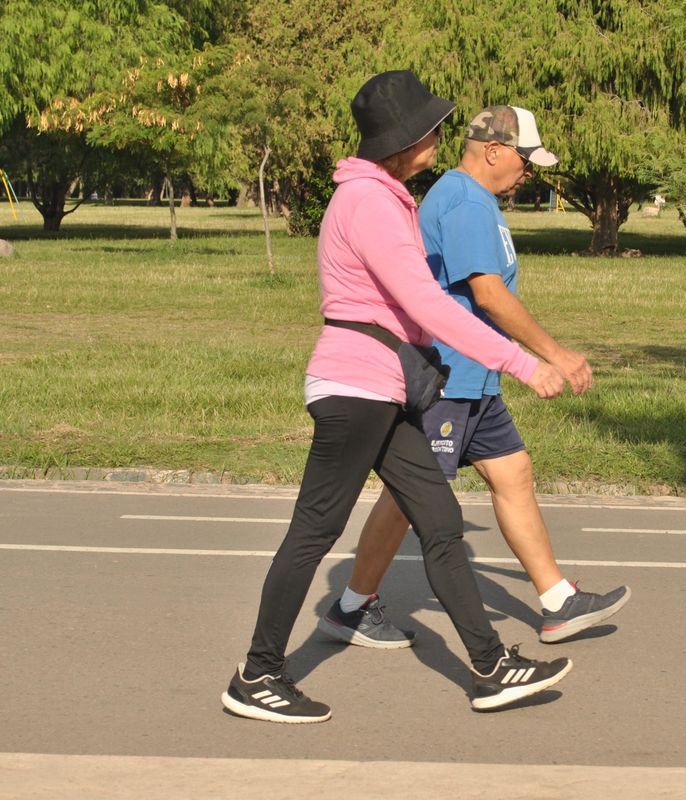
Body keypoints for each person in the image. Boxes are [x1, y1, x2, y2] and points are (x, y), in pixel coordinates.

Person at [222, 73, 574, 724]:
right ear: (406, 139)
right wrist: (523, 362)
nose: (440, 136)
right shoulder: (369, 202)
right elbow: (428, 303)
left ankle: (491, 667)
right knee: (314, 530)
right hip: (356, 387)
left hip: (384, 390)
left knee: (440, 522)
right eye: (432, 128)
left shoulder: (383, 196)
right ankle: (258, 675)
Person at [318, 106, 630, 651]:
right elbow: (487, 294)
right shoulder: (463, 200)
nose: (528, 173)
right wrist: (553, 355)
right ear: (493, 151)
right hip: (449, 378)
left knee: (514, 473)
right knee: (410, 496)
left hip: (477, 377)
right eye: (525, 161)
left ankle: (557, 600)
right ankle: (352, 607)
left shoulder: (477, 200)